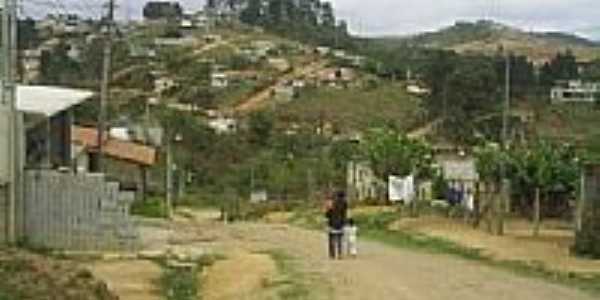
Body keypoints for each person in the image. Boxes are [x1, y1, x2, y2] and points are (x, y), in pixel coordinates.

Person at [325, 190, 348, 259]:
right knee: (339, 239)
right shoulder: (344, 203)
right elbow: (344, 214)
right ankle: (340, 254)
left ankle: (332, 254)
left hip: (331, 222)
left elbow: (327, 214)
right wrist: (344, 222)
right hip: (340, 223)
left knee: (331, 238)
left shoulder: (331, 203)